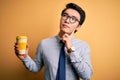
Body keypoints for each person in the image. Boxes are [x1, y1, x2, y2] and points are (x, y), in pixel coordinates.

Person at [14, 3, 93, 80]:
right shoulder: (44, 44)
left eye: (73, 19)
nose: (67, 20)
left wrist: (71, 49)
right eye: (65, 15)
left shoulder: (83, 46)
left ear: (78, 27)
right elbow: (36, 68)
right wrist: (24, 58)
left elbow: (87, 76)